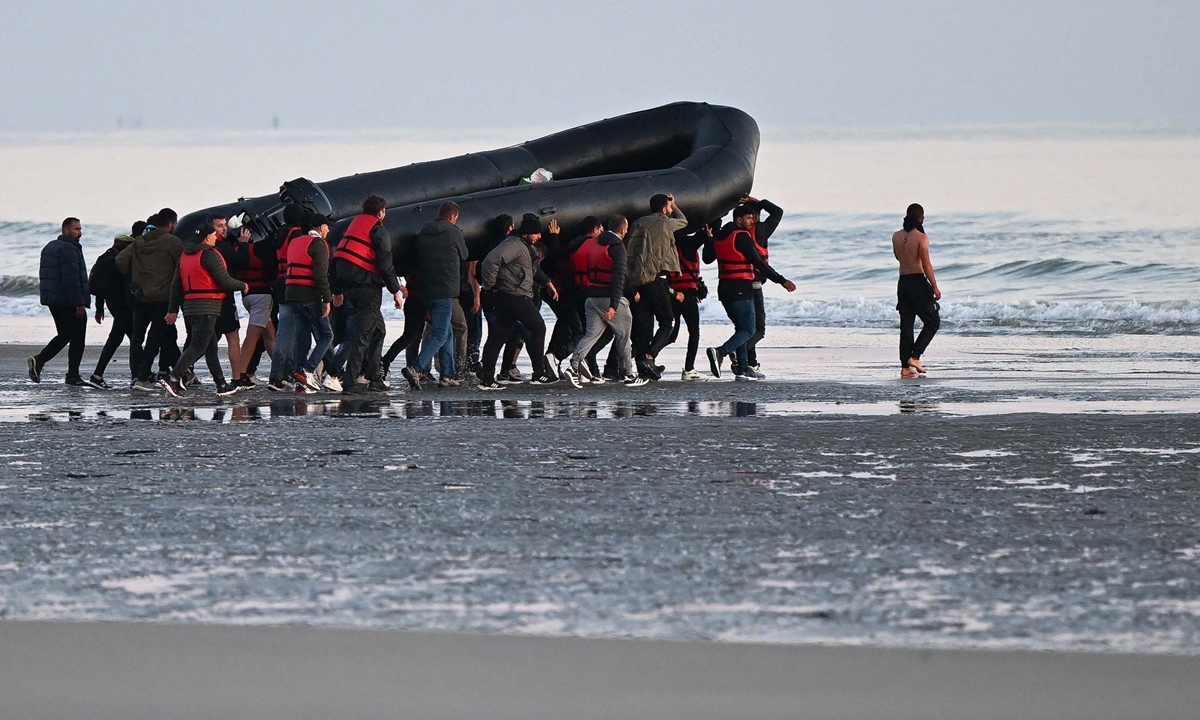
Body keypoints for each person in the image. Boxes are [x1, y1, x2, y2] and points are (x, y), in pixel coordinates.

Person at [704, 203, 796, 380]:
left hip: (724, 290)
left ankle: (742, 369)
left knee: (741, 328)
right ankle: (720, 352)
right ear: (739, 220)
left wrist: (709, 239)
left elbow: (707, 258)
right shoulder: (742, 237)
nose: (752, 222)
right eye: (748, 218)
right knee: (749, 329)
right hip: (740, 289)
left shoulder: (719, 236)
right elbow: (759, 263)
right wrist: (781, 280)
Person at [159, 222, 248, 397]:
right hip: (206, 307)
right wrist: (242, 285)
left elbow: (176, 286)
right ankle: (174, 377)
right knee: (199, 346)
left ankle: (221, 384)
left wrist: (173, 310)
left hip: (190, 307)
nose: (216, 237)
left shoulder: (185, 256)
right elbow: (224, 281)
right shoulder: (209, 255)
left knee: (211, 347)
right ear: (207, 237)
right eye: (214, 235)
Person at [561, 215, 647, 388]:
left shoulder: (593, 243)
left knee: (591, 335)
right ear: (622, 230)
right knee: (623, 336)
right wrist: (614, 305)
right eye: (627, 228)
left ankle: (573, 366)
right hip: (609, 298)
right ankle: (629, 375)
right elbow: (618, 279)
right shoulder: (617, 248)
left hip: (591, 297)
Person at [476, 213, 559, 389]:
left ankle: (487, 378)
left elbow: (532, 269)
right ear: (527, 232)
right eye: (536, 233)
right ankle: (538, 373)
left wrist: (548, 283)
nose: (539, 236)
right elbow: (490, 261)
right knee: (538, 326)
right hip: (513, 295)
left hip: (509, 296)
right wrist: (489, 285)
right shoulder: (513, 244)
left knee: (498, 336)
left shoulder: (526, 246)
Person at [333, 194, 405, 394]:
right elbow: (385, 262)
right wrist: (395, 290)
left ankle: (374, 377)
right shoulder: (378, 229)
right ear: (381, 212)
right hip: (367, 288)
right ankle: (350, 382)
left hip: (349, 286)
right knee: (363, 334)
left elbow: (338, 259)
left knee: (379, 330)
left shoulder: (354, 225)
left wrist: (337, 290)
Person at [401, 201, 468, 390]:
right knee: (439, 334)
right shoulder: (454, 232)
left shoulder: (423, 232)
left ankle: (447, 375)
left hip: (426, 290)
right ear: (453, 217)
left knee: (445, 332)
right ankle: (416, 367)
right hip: (446, 289)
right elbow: (464, 255)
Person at [117, 208, 183, 391]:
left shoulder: (140, 241)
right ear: (170, 224)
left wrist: (135, 277)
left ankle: (138, 374)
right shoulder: (172, 241)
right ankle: (143, 376)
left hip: (141, 296)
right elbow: (183, 265)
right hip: (163, 296)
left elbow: (121, 260)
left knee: (139, 337)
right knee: (155, 338)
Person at [625, 193, 688, 380]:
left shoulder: (638, 222)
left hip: (637, 280)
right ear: (663, 209)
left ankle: (644, 366)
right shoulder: (666, 222)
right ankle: (649, 356)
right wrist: (675, 205)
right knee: (667, 322)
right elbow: (683, 221)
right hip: (656, 279)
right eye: (668, 208)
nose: (669, 210)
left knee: (644, 324)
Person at [271, 214, 336, 392]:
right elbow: (320, 276)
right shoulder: (319, 245)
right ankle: (307, 371)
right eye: (327, 227)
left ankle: (299, 377)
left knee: (302, 340)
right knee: (326, 336)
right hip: (309, 295)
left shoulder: (296, 241)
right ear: (321, 227)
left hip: (291, 295)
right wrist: (327, 299)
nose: (329, 230)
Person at [28, 217, 92, 386]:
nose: (80, 232)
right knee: (77, 337)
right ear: (66, 230)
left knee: (65, 334)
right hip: (67, 300)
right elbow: (70, 279)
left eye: (80, 228)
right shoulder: (69, 249)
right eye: (76, 229)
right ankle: (72, 375)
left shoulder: (50, 247)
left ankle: (39, 361)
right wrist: (79, 303)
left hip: (53, 299)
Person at [892, 203, 941, 378]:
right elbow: (926, 264)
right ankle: (915, 356)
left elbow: (898, 257)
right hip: (918, 283)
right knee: (933, 322)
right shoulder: (921, 237)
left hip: (903, 283)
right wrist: (934, 286)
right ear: (922, 219)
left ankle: (905, 366)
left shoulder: (896, 236)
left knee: (906, 325)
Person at [86, 227, 139, 388]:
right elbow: (126, 284)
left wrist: (99, 308)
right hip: (123, 305)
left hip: (112, 304)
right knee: (125, 339)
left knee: (124, 338)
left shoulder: (107, 255)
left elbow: (101, 286)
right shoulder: (123, 258)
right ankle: (136, 376)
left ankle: (138, 375)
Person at [738, 196, 784, 379]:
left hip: (738, 284)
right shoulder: (762, 230)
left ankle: (751, 363)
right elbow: (778, 212)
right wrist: (760, 202)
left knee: (746, 327)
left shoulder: (736, 232)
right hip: (755, 285)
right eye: (755, 215)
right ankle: (738, 351)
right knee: (759, 329)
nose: (755, 219)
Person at [230, 214, 278, 388]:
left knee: (270, 335)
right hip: (262, 296)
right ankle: (240, 375)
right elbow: (273, 269)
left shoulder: (239, 248)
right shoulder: (263, 247)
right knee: (253, 336)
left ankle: (281, 370)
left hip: (247, 296)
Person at [669, 221, 713, 380]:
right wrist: (707, 232)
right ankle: (689, 369)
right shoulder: (688, 246)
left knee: (671, 333)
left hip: (672, 295)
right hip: (687, 296)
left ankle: (645, 356)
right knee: (694, 333)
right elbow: (698, 239)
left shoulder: (671, 245)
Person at [209, 214, 247, 387]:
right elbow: (241, 262)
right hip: (224, 298)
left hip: (206, 301)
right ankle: (237, 378)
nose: (224, 229)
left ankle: (183, 372)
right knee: (233, 338)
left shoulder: (204, 247)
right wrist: (244, 243)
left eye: (225, 225)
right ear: (211, 229)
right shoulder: (222, 246)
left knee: (203, 341)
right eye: (219, 226)